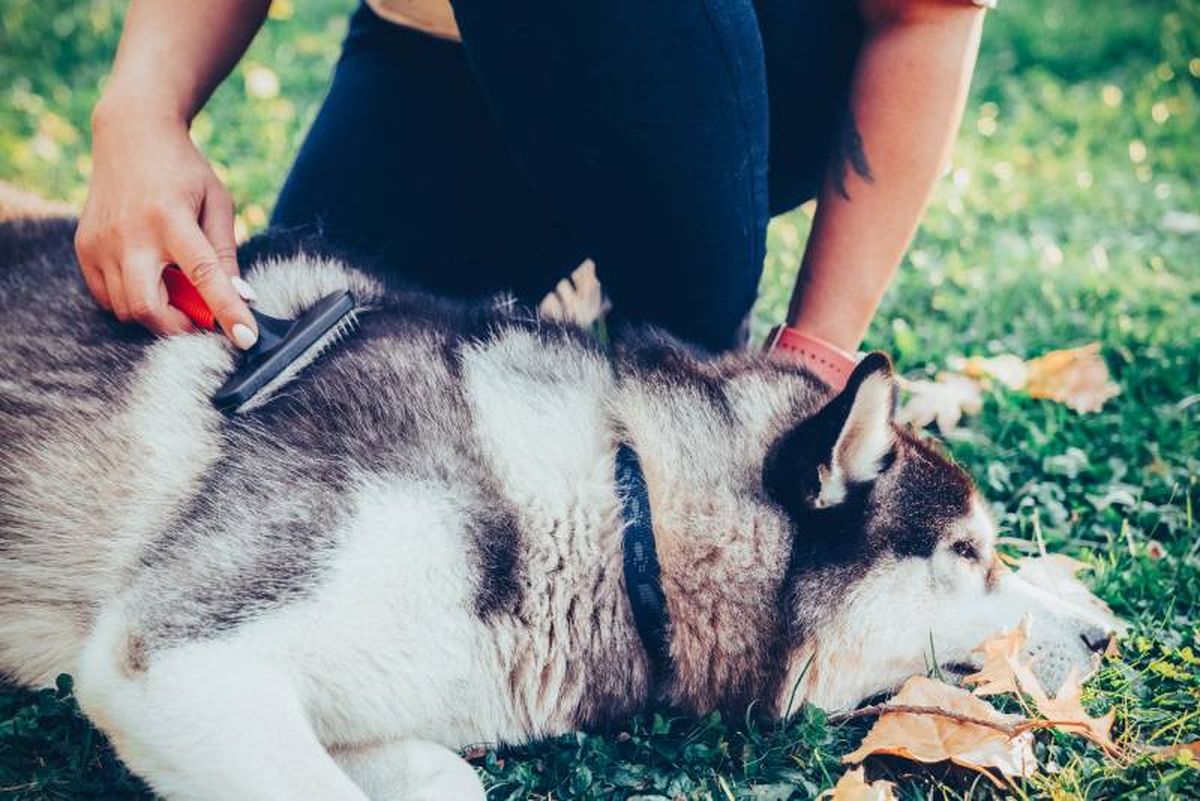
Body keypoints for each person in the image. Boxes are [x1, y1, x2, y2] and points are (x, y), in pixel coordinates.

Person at [76, 0, 991, 389]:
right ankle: (577, 246)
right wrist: (141, 115)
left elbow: (923, 15)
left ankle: (670, 301)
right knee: (310, 387)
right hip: (447, 43)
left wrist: (814, 362)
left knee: (673, 404)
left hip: (748, 49)